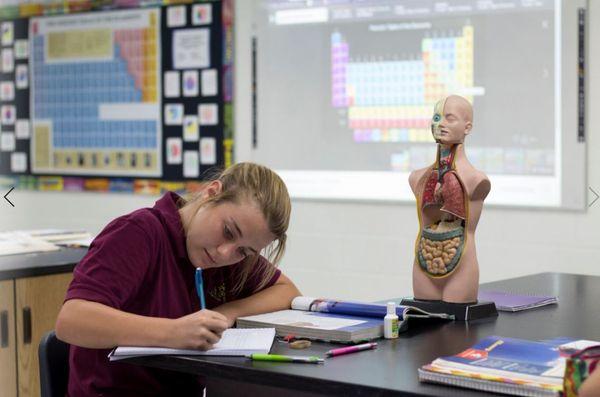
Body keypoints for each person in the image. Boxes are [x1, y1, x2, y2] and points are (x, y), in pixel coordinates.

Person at [55, 162, 301, 396]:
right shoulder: (139, 233)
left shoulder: (232, 260)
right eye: (227, 231)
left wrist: (229, 312)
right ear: (211, 192)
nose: (225, 253)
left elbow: (286, 291)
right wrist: (173, 332)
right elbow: (72, 320)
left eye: (245, 251)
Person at [409, 95, 490, 303]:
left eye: (449, 118)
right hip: (425, 261)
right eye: (436, 118)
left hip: (461, 264)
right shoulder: (418, 178)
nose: (440, 124)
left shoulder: (476, 180)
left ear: (467, 127)